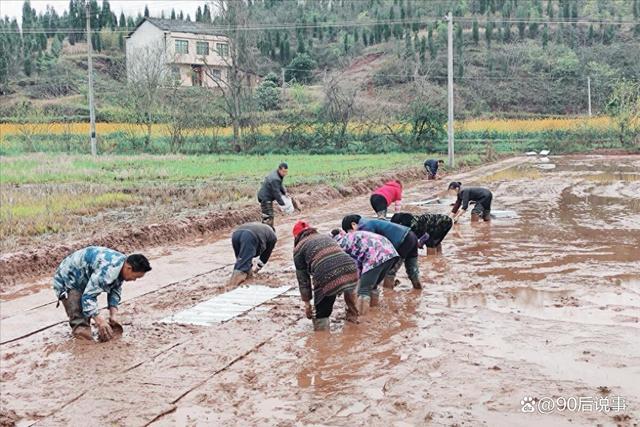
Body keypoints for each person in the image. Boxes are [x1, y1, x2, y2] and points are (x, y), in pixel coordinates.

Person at [52, 246, 151, 342]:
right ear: (129, 268)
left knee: (88, 313)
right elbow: (88, 297)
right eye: (135, 277)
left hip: (83, 279)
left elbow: (115, 289)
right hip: (67, 281)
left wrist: (113, 316)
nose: (134, 280)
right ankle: (82, 345)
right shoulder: (107, 270)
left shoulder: (122, 264)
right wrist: (100, 321)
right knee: (80, 319)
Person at [293, 220, 359, 331]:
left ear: (296, 237)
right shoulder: (325, 237)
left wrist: (307, 304)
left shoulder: (298, 249)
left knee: (321, 313)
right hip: (351, 267)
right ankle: (354, 325)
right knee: (351, 298)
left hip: (325, 272)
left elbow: (303, 280)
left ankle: (322, 338)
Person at [341, 215, 422, 290]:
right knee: (412, 270)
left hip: (402, 241)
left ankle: (388, 298)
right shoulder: (369, 222)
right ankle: (418, 291)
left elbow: (370, 249)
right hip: (411, 236)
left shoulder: (364, 227)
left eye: (349, 232)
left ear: (353, 224)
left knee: (389, 272)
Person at [331, 229, 399, 315]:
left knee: (363, 291)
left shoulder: (340, 244)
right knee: (373, 286)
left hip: (376, 256)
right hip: (390, 253)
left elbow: (347, 270)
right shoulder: (351, 236)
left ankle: (362, 321)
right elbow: (357, 264)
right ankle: (374, 312)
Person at [227, 222, 278, 287]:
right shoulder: (273, 236)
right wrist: (257, 269)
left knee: (242, 260)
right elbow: (265, 255)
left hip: (236, 234)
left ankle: (246, 278)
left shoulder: (261, 228)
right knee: (242, 267)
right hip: (249, 236)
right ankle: (231, 287)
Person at [257, 162, 289, 229]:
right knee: (269, 216)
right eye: (283, 172)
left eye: (286, 172)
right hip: (265, 197)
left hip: (267, 196)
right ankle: (267, 232)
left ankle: (267, 231)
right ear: (279, 170)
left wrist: (285, 192)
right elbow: (276, 193)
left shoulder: (278, 175)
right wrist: (283, 205)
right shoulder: (275, 178)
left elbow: (280, 185)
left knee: (268, 216)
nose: (285, 174)